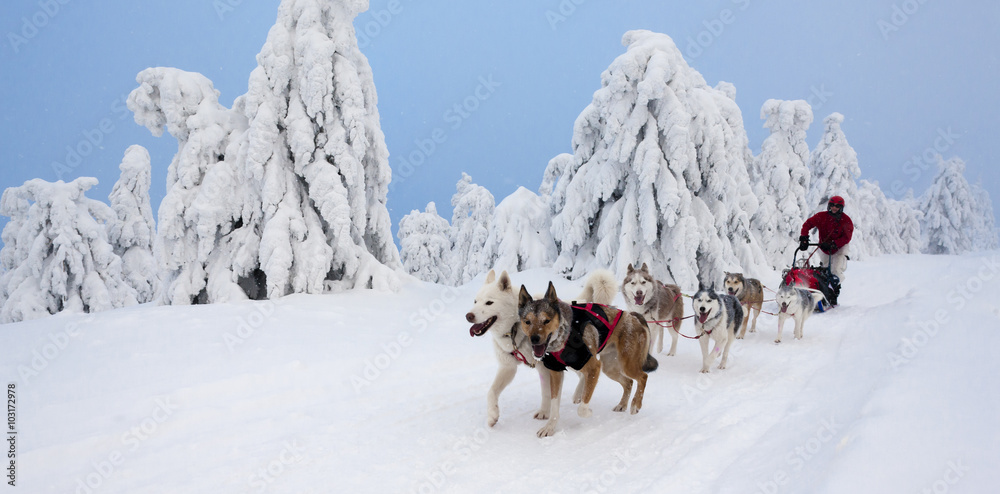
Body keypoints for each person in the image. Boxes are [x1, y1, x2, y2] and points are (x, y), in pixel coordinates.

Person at [799, 194, 853, 280]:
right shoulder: (821, 216)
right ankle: (823, 287)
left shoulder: (846, 220)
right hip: (825, 247)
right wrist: (804, 238)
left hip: (840, 248)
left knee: (835, 269)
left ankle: (835, 287)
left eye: (837, 206)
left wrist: (834, 244)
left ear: (841, 208)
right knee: (825, 268)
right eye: (832, 205)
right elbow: (807, 224)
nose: (834, 208)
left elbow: (847, 237)